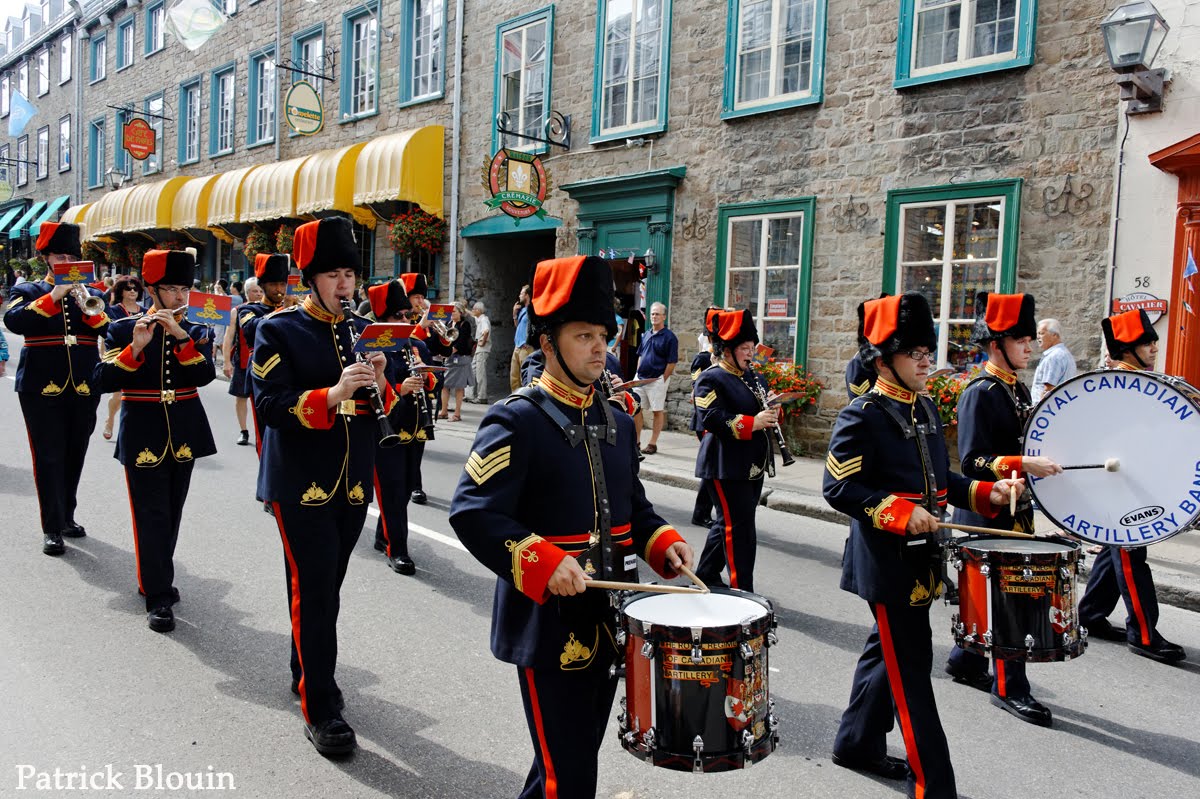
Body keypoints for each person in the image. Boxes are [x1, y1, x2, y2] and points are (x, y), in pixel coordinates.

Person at [450, 255, 692, 799]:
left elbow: (633, 508)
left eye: (603, 334)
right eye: (583, 335)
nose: (599, 347)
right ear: (548, 341)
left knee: (569, 761)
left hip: (610, 622)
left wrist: (663, 546)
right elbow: (472, 511)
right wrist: (541, 560)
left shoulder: (619, 420)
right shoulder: (515, 419)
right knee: (571, 776)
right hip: (548, 628)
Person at [825, 292, 1021, 799]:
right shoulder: (861, 415)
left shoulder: (927, 407)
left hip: (923, 561)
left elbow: (943, 481)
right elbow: (838, 487)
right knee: (913, 675)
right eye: (915, 352)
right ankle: (935, 785)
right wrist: (895, 511)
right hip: (886, 566)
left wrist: (987, 491)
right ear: (883, 356)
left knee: (883, 653)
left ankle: (856, 742)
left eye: (927, 351)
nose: (925, 361)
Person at [252, 217, 398, 756]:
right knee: (314, 593)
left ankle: (304, 671)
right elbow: (269, 407)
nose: (344, 285)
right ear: (309, 278)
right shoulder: (277, 330)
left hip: (352, 483)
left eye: (350, 275)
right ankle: (321, 707)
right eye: (333, 274)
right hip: (300, 485)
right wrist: (334, 392)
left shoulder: (359, 330)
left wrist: (382, 380)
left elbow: (387, 405)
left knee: (324, 592)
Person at [944, 292, 1063, 727]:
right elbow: (973, 460)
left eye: (1031, 339)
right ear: (997, 344)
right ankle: (1011, 688)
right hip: (987, 510)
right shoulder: (981, 391)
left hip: (1016, 509)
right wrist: (1022, 464)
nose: (1031, 347)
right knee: (1013, 597)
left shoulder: (1017, 387)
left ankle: (965, 661)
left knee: (998, 595)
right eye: (1022, 340)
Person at [93, 249, 216, 632]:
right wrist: (136, 348)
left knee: (173, 511)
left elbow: (206, 375)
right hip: (143, 428)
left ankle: (156, 577)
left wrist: (180, 336)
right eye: (172, 289)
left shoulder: (196, 329)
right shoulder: (120, 328)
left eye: (185, 288)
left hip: (184, 429)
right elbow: (101, 381)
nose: (180, 297)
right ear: (151, 289)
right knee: (151, 515)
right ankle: (159, 595)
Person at [1076, 309, 1186, 663]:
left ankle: (1090, 615)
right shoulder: (1120, 387)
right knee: (1130, 556)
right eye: (1145, 341)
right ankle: (1144, 634)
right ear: (1126, 350)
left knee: (1116, 552)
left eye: (1153, 340)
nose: (1154, 346)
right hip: (1119, 487)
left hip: (1132, 483)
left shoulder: (1144, 384)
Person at [3, 222, 108, 556]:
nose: (65, 260)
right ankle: (51, 526)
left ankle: (67, 516)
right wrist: (55, 295)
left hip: (83, 383)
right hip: (40, 385)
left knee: (74, 452)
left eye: (70, 255)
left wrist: (85, 304)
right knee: (48, 456)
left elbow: (110, 328)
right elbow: (14, 321)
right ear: (46, 258)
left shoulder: (93, 294)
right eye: (59, 255)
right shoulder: (30, 291)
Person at [691, 308, 777, 592]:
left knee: (729, 521)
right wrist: (753, 422)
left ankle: (705, 574)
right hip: (724, 464)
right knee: (740, 529)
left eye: (752, 348)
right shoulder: (711, 378)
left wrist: (774, 410)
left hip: (752, 462)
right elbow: (711, 418)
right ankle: (743, 591)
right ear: (727, 350)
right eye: (744, 348)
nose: (750, 353)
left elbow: (762, 409)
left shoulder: (752, 376)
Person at [364, 278, 427, 575]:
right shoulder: (374, 347)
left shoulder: (416, 346)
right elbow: (370, 390)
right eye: (397, 317)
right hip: (386, 430)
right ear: (383, 319)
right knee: (392, 491)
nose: (405, 321)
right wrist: (401, 388)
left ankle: (382, 536)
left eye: (407, 316)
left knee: (402, 492)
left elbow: (431, 373)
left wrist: (428, 379)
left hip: (415, 427)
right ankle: (397, 550)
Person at [238, 254, 291, 455]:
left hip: (291, 373)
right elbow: (252, 329)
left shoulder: (293, 308)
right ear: (263, 285)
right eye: (273, 285)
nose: (279, 290)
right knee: (265, 432)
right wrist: (285, 312)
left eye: (282, 284)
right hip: (262, 374)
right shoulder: (249, 310)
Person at [101, 275, 147, 441]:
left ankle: (133, 428)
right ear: (121, 291)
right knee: (118, 394)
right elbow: (105, 335)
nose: (133, 291)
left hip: (141, 355)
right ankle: (111, 420)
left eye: (135, 288)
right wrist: (105, 357)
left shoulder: (146, 312)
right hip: (119, 355)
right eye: (128, 288)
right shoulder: (113, 311)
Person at [223, 276, 265, 446]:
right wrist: (226, 361)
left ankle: (262, 431)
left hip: (264, 362)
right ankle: (244, 430)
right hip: (242, 360)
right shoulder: (238, 311)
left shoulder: (269, 310)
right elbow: (228, 336)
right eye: (255, 291)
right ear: (247, 293)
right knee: (241, 396)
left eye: (260, 291)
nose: (258, 294)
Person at [634, 302, 678, 455]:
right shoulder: (646, 334)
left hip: (657, 380)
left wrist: (662, 379)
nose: (654, 316)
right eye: (652, 314)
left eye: (657, 314)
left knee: (657, 411)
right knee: (635, 408)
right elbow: (640, 355)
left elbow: (672, 362)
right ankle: (637, 441)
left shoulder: (670, 337)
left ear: (664, 317)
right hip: (640, 379)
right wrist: (638, 371)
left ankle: (652, 443)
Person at [689, 328, 716, 526]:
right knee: (711, 469)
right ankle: (701, 513)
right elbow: (697, 384)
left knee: (715, 469)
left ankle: (705, 512)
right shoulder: (704, 358)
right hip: (706, 419)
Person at [439, 300, 474, 420]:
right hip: (450, 359)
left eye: (453, 311)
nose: (451, 314)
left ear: (460, 312)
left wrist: (448, 352)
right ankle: (443, 411)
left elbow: (462, 342)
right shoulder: (448, 323)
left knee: (459, 387)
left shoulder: (465, 324)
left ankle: (457, 414)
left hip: (461, 359)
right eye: (450, 312)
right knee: (444, 385)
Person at [1031, 318, 1075, 404]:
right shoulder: (1063, 353)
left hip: (1046, 410)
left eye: (1042, 333)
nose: (1038, 337)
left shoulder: (1054, 356)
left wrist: (1038, 412)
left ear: (1054, 335)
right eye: (1038, 333)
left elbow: (1048, 390)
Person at [509, 283, 532, 391]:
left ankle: (525, 399)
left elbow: (535, 327)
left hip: (526, 347)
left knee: (525, 376)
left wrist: (530, 341)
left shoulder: (533, 310)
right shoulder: (522, 310)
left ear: (527, 295)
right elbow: (517, 325)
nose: (519, 296)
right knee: (514, 377)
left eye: (521, 293)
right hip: (517, 346)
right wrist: (514, 314)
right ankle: (515, 398)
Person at [469, 300, 491, 403]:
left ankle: (482, 396)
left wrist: (482, 342)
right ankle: (470, 395)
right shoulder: (480, 319)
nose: (472, 311)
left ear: (479, 310)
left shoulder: (484, 320)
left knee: (480, 373)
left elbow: (486, 331)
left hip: (482, 349)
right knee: (473, 370)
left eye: (474, 309)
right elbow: (471, 315)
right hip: (479, 348)